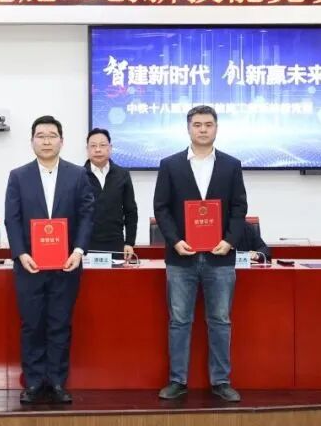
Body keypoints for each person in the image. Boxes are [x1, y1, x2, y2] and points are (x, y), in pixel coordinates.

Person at [152, 105, 247, 403]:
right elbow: (161, 208)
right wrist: (175, 240)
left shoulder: (231, 165)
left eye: (208, 124)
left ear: (216, 128)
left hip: (221, 257)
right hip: (181, 257)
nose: (203, 129)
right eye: (197, 124)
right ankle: (177, 380)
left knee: (220, 320)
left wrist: (229, 241)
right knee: (179, 321)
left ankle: (221, 381)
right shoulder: (170, 164)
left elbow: (239, 208)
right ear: (188, 128)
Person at [4, 115, 95, 404]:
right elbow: (12, 219)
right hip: (29, 266)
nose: (46, 141)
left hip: (66, 265)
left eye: (52, 135)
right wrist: (21, 253)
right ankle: (33, 382)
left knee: (59, 324)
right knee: (32, 324)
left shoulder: (77, 175)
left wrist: (78, 251)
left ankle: (56, 381)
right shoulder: (18, 176)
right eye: (40, 136)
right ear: (32, 141)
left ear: (61, 141)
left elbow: (87, 215)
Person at [83, 128, 138, 260]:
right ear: (87, 149)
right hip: (86, 244)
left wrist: (129, 242)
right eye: (93, 146)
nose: (98, 150)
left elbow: (130, 211)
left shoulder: (122, 174)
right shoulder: (78, 175)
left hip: (115, 243)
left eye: (102, 145)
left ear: (110, 148)